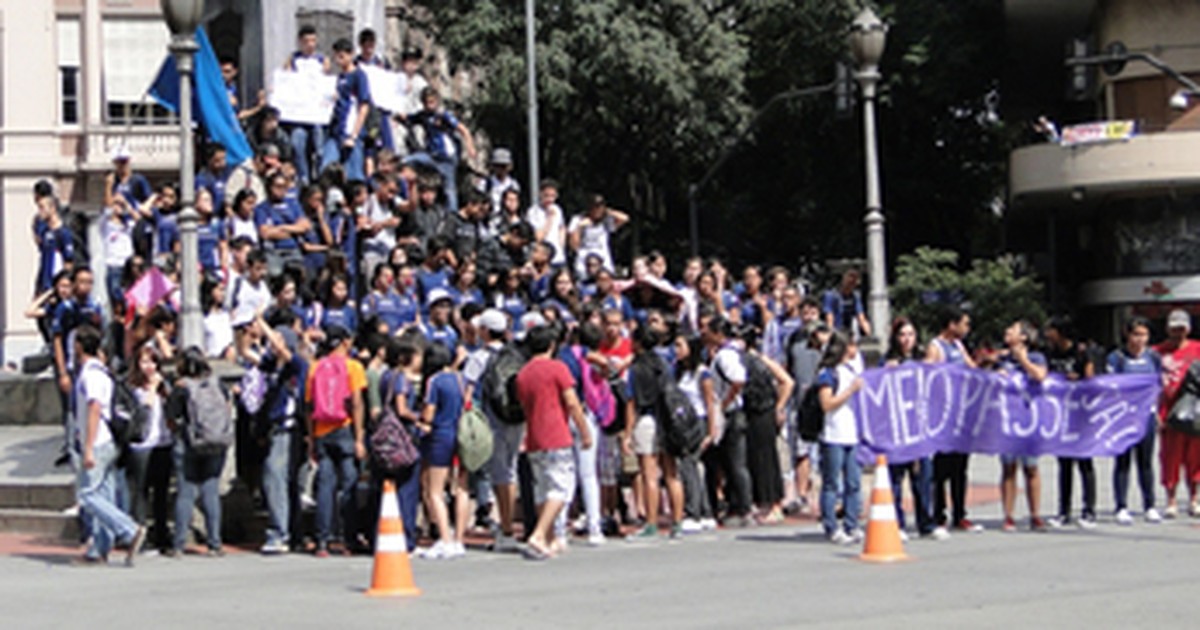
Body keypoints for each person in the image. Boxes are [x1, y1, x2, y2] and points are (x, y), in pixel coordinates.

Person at [514, 325, 592, 559]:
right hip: (556, 434)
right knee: (561, 488)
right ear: (552, 345)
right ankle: (539, 534)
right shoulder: (558, 368)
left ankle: (549, 537)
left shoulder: (523, 374)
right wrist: (584, 430)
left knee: (542, 489)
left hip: (534, 436)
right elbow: (572, 402)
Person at [72, 324, 147, 565]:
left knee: (87, 495)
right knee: (104, 493)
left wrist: (88, 447)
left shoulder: (91, 375)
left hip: (99, 441)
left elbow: (94, 409)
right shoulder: (101, 372)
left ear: (79, 346)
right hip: (109, 442)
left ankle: (128, 529)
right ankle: (100, 549)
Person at [305, 325, 367, 557]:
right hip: (345, 429)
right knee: (349, 485)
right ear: (343, 342)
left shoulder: (315, 367)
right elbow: (357, 403)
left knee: (325, 485)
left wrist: (311, 438)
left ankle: (322, 540)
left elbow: (309, 406)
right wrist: (359, 437)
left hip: (322, 431)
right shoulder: (353, 366)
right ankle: (349, 540)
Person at [885, 318, 949, 540]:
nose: (907, 339)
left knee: (923, 476)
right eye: (902, 335)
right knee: (896, 476)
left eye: (910, 334)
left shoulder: (922, 359)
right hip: (898, 428)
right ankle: (897, 523)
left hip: (920, 426)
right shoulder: (890, 362)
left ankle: (926, 522)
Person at [165, 347, 230, 557]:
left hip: (188, 443)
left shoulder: (182, 387)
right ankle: (215, 543)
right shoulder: (218, 383)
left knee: (186, 493)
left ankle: (179, 544)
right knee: (211, 492)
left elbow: (171, 418)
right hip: (216, 441)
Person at [623, 326, 686, 540]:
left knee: (649, 474)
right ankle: (677, 522)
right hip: (667, 418)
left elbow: (631, 403)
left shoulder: (636, 368)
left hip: (647, 418)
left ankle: (651, 523)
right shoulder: (664, 365)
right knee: (671, 473)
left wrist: (627, 433)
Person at [926, 305, 983, 532]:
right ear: (952, 324)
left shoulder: (958, 346)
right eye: (964, 323)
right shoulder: (936, 347)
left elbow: (972, 368)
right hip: (943, 416)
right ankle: (939, 513)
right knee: (942, 469)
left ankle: (960, 513)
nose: (967, 328)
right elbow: (929, 377)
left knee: (960, 467)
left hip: (961, 415)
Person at [255, 311, 308, 554]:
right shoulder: (271, 366)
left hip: (290, 428)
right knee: (282, 481)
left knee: (274, 477)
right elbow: (248, 353)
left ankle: (279, 533)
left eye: (277, 339)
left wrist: (262, 322)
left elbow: (282, 349)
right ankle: (290, 531)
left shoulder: (296, 365)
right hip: (275, 427)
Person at [1107, 317, 1163, 525]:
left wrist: (1157, 412)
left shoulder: (1153, 358)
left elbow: (1158, 385)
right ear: (1127, 335)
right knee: (1123, 463)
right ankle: (1121, 506)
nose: (1139, 339)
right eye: (1136, 334)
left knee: (1146, 463)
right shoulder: (1117, 358)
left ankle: (1149, 505)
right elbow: (1111, 387)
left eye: (1144, 335)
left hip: (1146, 416)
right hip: (1123, 418)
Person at [415, 343, 469, 559]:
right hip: (463, 433)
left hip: (441, 434)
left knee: (435, 490)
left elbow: (429, 413)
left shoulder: (434, 381)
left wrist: (421, 420)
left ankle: (445, 538)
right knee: (462, 487)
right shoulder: (461, 378)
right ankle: (459, 539)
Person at [1043, 316, 1098, 529]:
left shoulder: (1082, 352)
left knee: (1085, 462)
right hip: (1060, 414)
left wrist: (1080, 381)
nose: (1048, 335)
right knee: (1064, 464)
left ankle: (1089, 510)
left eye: (1051, 330)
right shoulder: (1050, 354)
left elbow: (1092, 382)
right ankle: (1063, 511)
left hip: (1081, 414)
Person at [996, 320, 1049, 532]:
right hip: (1008, 419)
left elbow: (1040, 375)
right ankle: (1008, 515)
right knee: (1009, 468)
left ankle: (1035, 514)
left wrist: (1023, 360)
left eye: (1012, 330)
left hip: (1030, 419)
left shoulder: (1036, 357)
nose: (1007, 332)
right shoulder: (1002, 359)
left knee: (1031, 468)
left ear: (1024, 337)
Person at [702, 316, 753, 527]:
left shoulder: (726, 356)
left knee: (735, 463)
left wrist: (724, 402)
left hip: (731, 414)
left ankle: (742, 508)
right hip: (730, 412)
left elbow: (738, 379)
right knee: (728, 463)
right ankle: (734, 504)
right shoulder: (726, 353)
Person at [815, 331, 865, 544]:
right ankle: (831, 526)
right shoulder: (828, 373)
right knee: (831, 483)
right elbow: (827, 404)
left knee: (853, 482)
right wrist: (850, 391)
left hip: (852, 434)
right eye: (852, 346)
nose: (855, 350)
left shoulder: (853, 370)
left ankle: (851, 524)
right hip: (833, 434)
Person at [126, 342, 174, 554]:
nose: (150, 366)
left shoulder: (165, 385)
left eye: (153, 361)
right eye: (145, 361)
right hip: (142, 444)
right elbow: (143, 412)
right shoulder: (134, 389)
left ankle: (162, 535)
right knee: (141, 491)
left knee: (162, 492)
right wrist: (152, 390)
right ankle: (140, 535)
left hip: (163, 443)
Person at [1154, 308, 1200, 518]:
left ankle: (1193, 499)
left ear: (1188, 329)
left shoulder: (1197, 349)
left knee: (1195, 457)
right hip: (1168, 412)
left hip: (1195, 410)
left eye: (1181, 328)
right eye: (1174, 328)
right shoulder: (1156, 352)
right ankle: (1171, 499)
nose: (1177, 333)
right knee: (1170, 458)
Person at [673, 334, 719, 533]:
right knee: (690, 466)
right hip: (685, 422)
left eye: (680, 345)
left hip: (698, 422)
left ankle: (695, 512)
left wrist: (711, 430)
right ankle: (705, 511)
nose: (676, 350)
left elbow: (709, 403)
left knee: (689, 464)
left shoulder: (703, 374)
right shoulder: (681, 372)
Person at [404, 87, 477, 213]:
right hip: (431, 155)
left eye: (432, 102)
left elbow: (463, 130)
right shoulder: (423, 116)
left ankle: (452, 216)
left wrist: (470, 147)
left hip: (446, 158)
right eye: (427, 103)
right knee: (408, 161)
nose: (429, 105)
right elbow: (409, 118)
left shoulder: (444, 115)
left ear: (437, 101)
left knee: (449, 189)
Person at [283, 25, 331, 184]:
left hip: (316, 113)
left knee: (319, 148)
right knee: (297, 143)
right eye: (306, 41)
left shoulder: (322, 60)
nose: (310, 44)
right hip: (299, 114)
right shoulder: (293, 59)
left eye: (313, 41)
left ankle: (318, 175)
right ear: (300, 42)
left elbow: (326, 82)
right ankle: (303, 177)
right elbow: (286, 81)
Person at [320, 38, 372, 182]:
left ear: (351, 55)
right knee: (327, 168)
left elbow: (363, 106)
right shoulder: (338, 78)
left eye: (342, 56)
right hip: (336, 131)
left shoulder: (359, 76)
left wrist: (354, 135)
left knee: (353, 174)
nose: (338, 60)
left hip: (350, 132)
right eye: (336, 56)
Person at [568, 194, 629, 279]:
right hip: (584, 260)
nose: (597, 210)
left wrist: (608, 211)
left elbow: (625, 218)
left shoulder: (606, 221)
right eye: (594, 207)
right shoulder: (577, 219)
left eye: (599, 207)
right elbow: (573, 246)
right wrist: (579, 228)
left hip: (603, 259)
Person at [528, 179, 567, 267]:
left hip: (559, 257)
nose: (550, 199)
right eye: (546, 196)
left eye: (553, 196)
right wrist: (549, 219)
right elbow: (538, 237)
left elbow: (562, 227)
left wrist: (561, 244)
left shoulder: (557, 209)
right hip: (543, 258)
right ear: (540, 194)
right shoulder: (533, 212)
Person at [822, 269, 871, 340]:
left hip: (849, 332)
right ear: (844, 279)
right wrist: (830, 335)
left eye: (854, 282)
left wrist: (869, 335)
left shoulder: (855, 297)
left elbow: (861, 318)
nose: (851, 284)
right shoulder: (831, 295)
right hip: (836, 331)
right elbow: (829, 318)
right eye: (850, 280)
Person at [486, 148, 520, 216]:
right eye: (498, 166)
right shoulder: (485, 184)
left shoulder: (514, 185)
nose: (501, 169)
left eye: (504, 166)